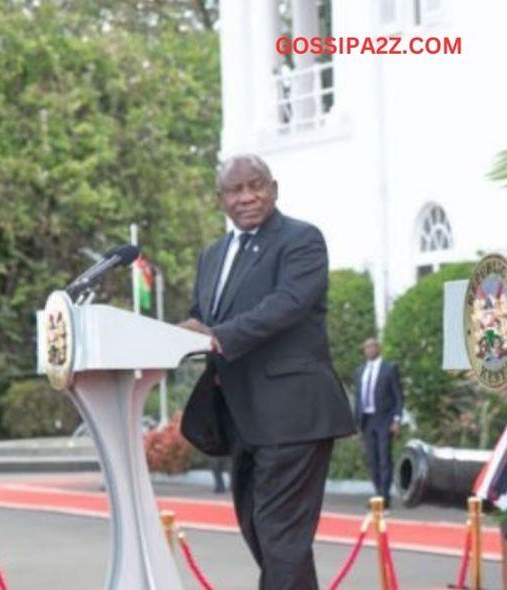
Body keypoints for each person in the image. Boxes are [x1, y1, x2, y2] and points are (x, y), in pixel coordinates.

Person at [180, 154, 356, 589]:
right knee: (261, 530)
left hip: (293, 414)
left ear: (274, 189)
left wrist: (219, 334)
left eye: (255, 186)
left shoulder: (302, 240)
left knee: (280, 535)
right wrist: (180, 334)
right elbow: (202, 316)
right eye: (235, 190)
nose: (247, 197)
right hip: (241, 416)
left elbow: (288, 304)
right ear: (221, 199)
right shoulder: (213, 255)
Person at [352, 337, 404, 508]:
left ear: (378, 348)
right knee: (372, 460)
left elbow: (398, 396)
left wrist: (396, 420)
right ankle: (378, 493)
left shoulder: (389, 369)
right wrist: (355, 424)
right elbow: (358, 398)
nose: (369, 349)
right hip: (367, 421)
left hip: (384, 419)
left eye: (372, 346)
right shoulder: (360, 371)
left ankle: (384, 497)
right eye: (366, 347)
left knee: (384, 459)